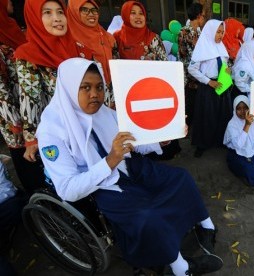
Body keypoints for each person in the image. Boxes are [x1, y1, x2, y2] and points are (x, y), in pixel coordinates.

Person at [36, 58, 223, 276]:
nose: (95, 94)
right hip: (99, 185)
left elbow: (135, 142)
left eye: (99, 87)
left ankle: (205, 226)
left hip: (128, 166)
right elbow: (68, 189)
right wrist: (110, 161)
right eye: (85, 87)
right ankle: (181, 268)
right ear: (68, 88)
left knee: (180, 178)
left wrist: (160, 141)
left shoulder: (105, 113)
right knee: (148, 215)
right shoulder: (52, 131)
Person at [14, 0, 91, 173]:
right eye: (47, 13)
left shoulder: (80, 48)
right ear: (34, 18)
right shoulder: (28, 55)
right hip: (59, 132)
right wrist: (32, 139)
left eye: (60, 12)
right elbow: (30, 98)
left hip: (86, 125)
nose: (57, 18)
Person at [114, 1, 181, 160]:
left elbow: (164, 65)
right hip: (128, 93)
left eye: (141, 13)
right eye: (133, 13)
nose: (138, 17)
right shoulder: (116, 39)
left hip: (152, 91)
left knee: (154, 127)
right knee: (135, 131)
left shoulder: (153, 38)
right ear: (125, 15)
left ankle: (157, 156)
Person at [1, 0, 46, 194]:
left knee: (42, 158)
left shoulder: (11, 29)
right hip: (14, 119)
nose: (11, 2)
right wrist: (15, 122)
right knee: (26, 160)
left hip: (34, 110)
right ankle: (36, 195)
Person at [188, 19, 232, 158]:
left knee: (222, 114)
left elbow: (224, 64)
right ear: (210, 31)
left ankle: (219, 141)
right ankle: (202, 144)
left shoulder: (221, 47)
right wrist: (208, 82)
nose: (221, 35)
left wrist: (227, 71)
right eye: (218, 32)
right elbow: (192, 69)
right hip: (208, 87)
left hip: (221, 85)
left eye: (222, 32)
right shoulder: (202, 47)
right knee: (207, 116)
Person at [67, 0, 118, 107]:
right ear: (75, 12)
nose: (91, 14)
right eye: (85, 10)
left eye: (94, 10)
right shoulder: (68, 41)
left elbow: (116, 66)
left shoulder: (107, 37)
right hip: (86, 100)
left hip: (111, 96)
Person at [178, 2, 205, 127]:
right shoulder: (183, 32)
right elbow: (182, 55)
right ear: (198, 16)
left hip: (200, 75)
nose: (204, 19)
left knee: (197, 104)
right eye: (203, 16)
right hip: (189, 76)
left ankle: (195, 126)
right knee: (189, 103)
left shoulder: (200, 33)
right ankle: (186, 127)